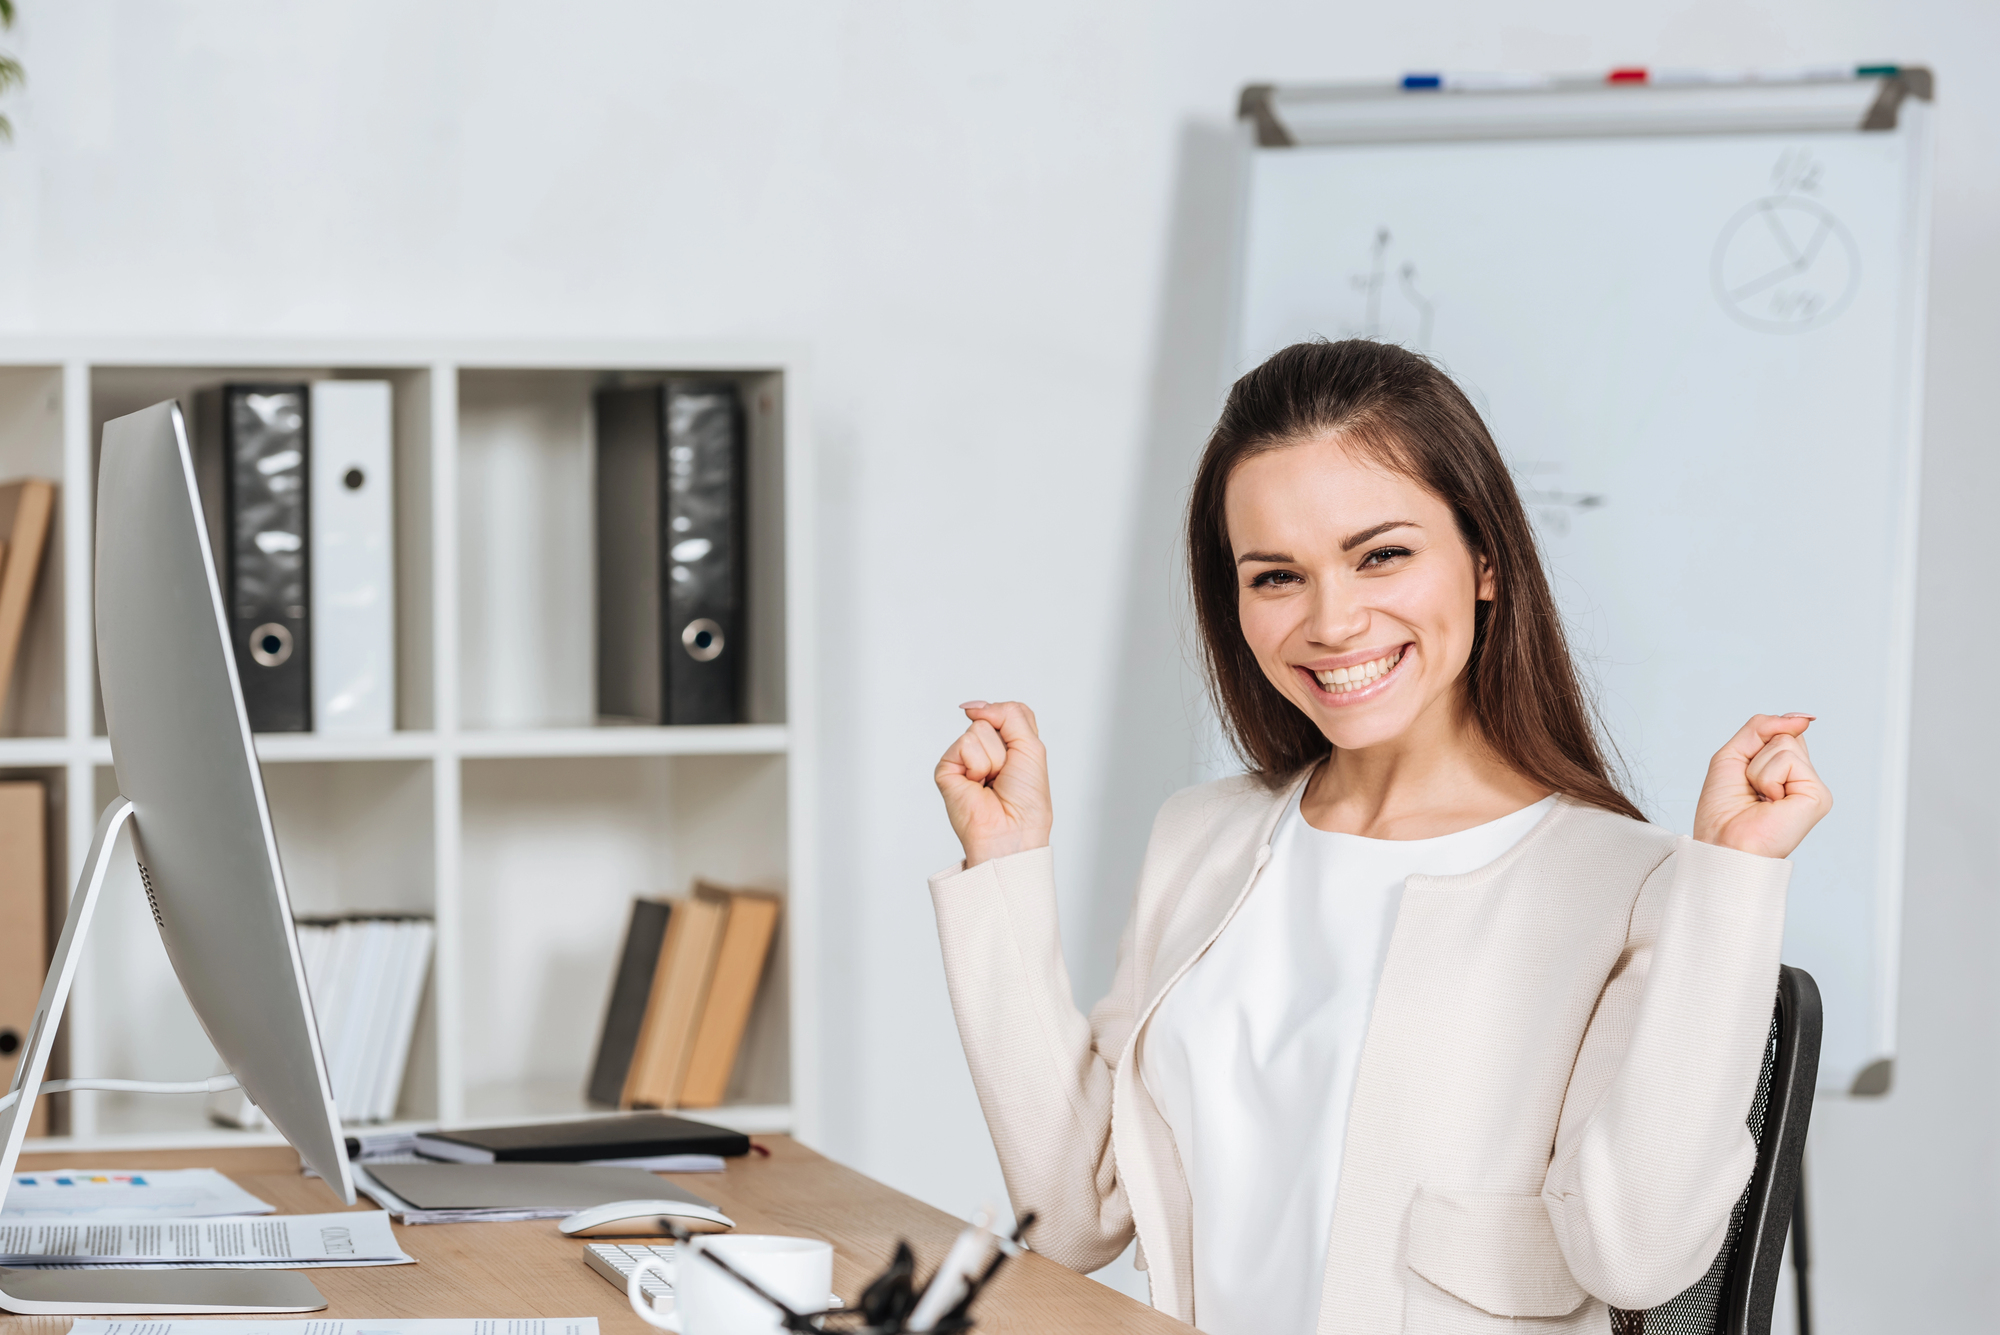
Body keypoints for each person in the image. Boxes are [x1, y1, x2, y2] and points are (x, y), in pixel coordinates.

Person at [927, 339, 1829, 1334]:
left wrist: (1731, 887)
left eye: (1380, 555)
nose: (1331, 621)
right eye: (1275, 576)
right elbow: (1069, 1216)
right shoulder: (1200, 838)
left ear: (1483, 560)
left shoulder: (1625, 882)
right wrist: (1003, 869)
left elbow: (1637, 1253)